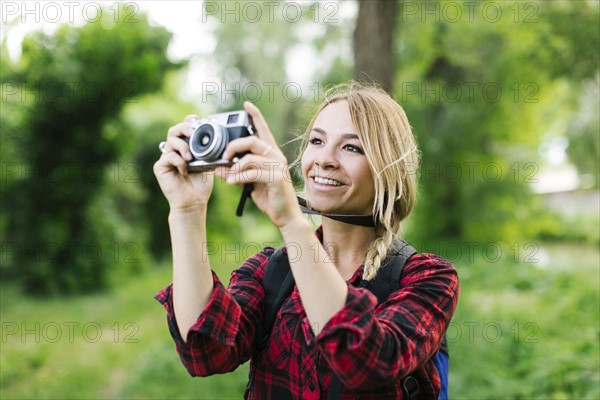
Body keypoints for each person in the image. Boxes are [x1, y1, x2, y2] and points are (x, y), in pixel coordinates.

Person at [153, 81, 459, 399]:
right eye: (316, 141)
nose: (324, 160)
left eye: (351, 147)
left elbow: (365, 361)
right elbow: (205, 352)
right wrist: (186, 211)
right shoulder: (268, 271)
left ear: (389, 168)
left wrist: (291, 222)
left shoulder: (429, 278)